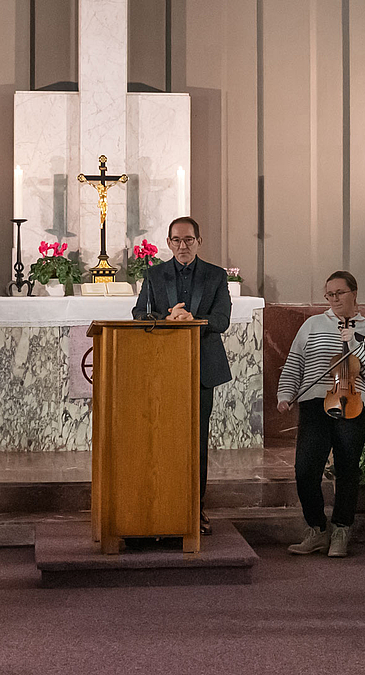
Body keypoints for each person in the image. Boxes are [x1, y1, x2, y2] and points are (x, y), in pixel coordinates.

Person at [132, 216, 232, 535]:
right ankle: (163, 505)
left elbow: (222, 319)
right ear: (168, 243)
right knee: (162, 440)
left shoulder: (215, 275)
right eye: (176, 240)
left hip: (201, 368)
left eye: (188, 240)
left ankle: (195, 508)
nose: (182, 246)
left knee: (196, 441)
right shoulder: (154, 274)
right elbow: (139, 314)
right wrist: (167, 318)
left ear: (199, 242)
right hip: (162, 369)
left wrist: (193, 319)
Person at [277, 271, 365, 558]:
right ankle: (317, 529)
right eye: (330, 294)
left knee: (347, 469)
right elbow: (295, 363)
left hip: (354, 404)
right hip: (315, 402)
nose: (335, 299)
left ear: (354, 293)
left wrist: (354, 345)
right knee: (305, 470)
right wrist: (285, 394)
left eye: (340, 293)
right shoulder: (313, 325)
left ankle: (342, 529)